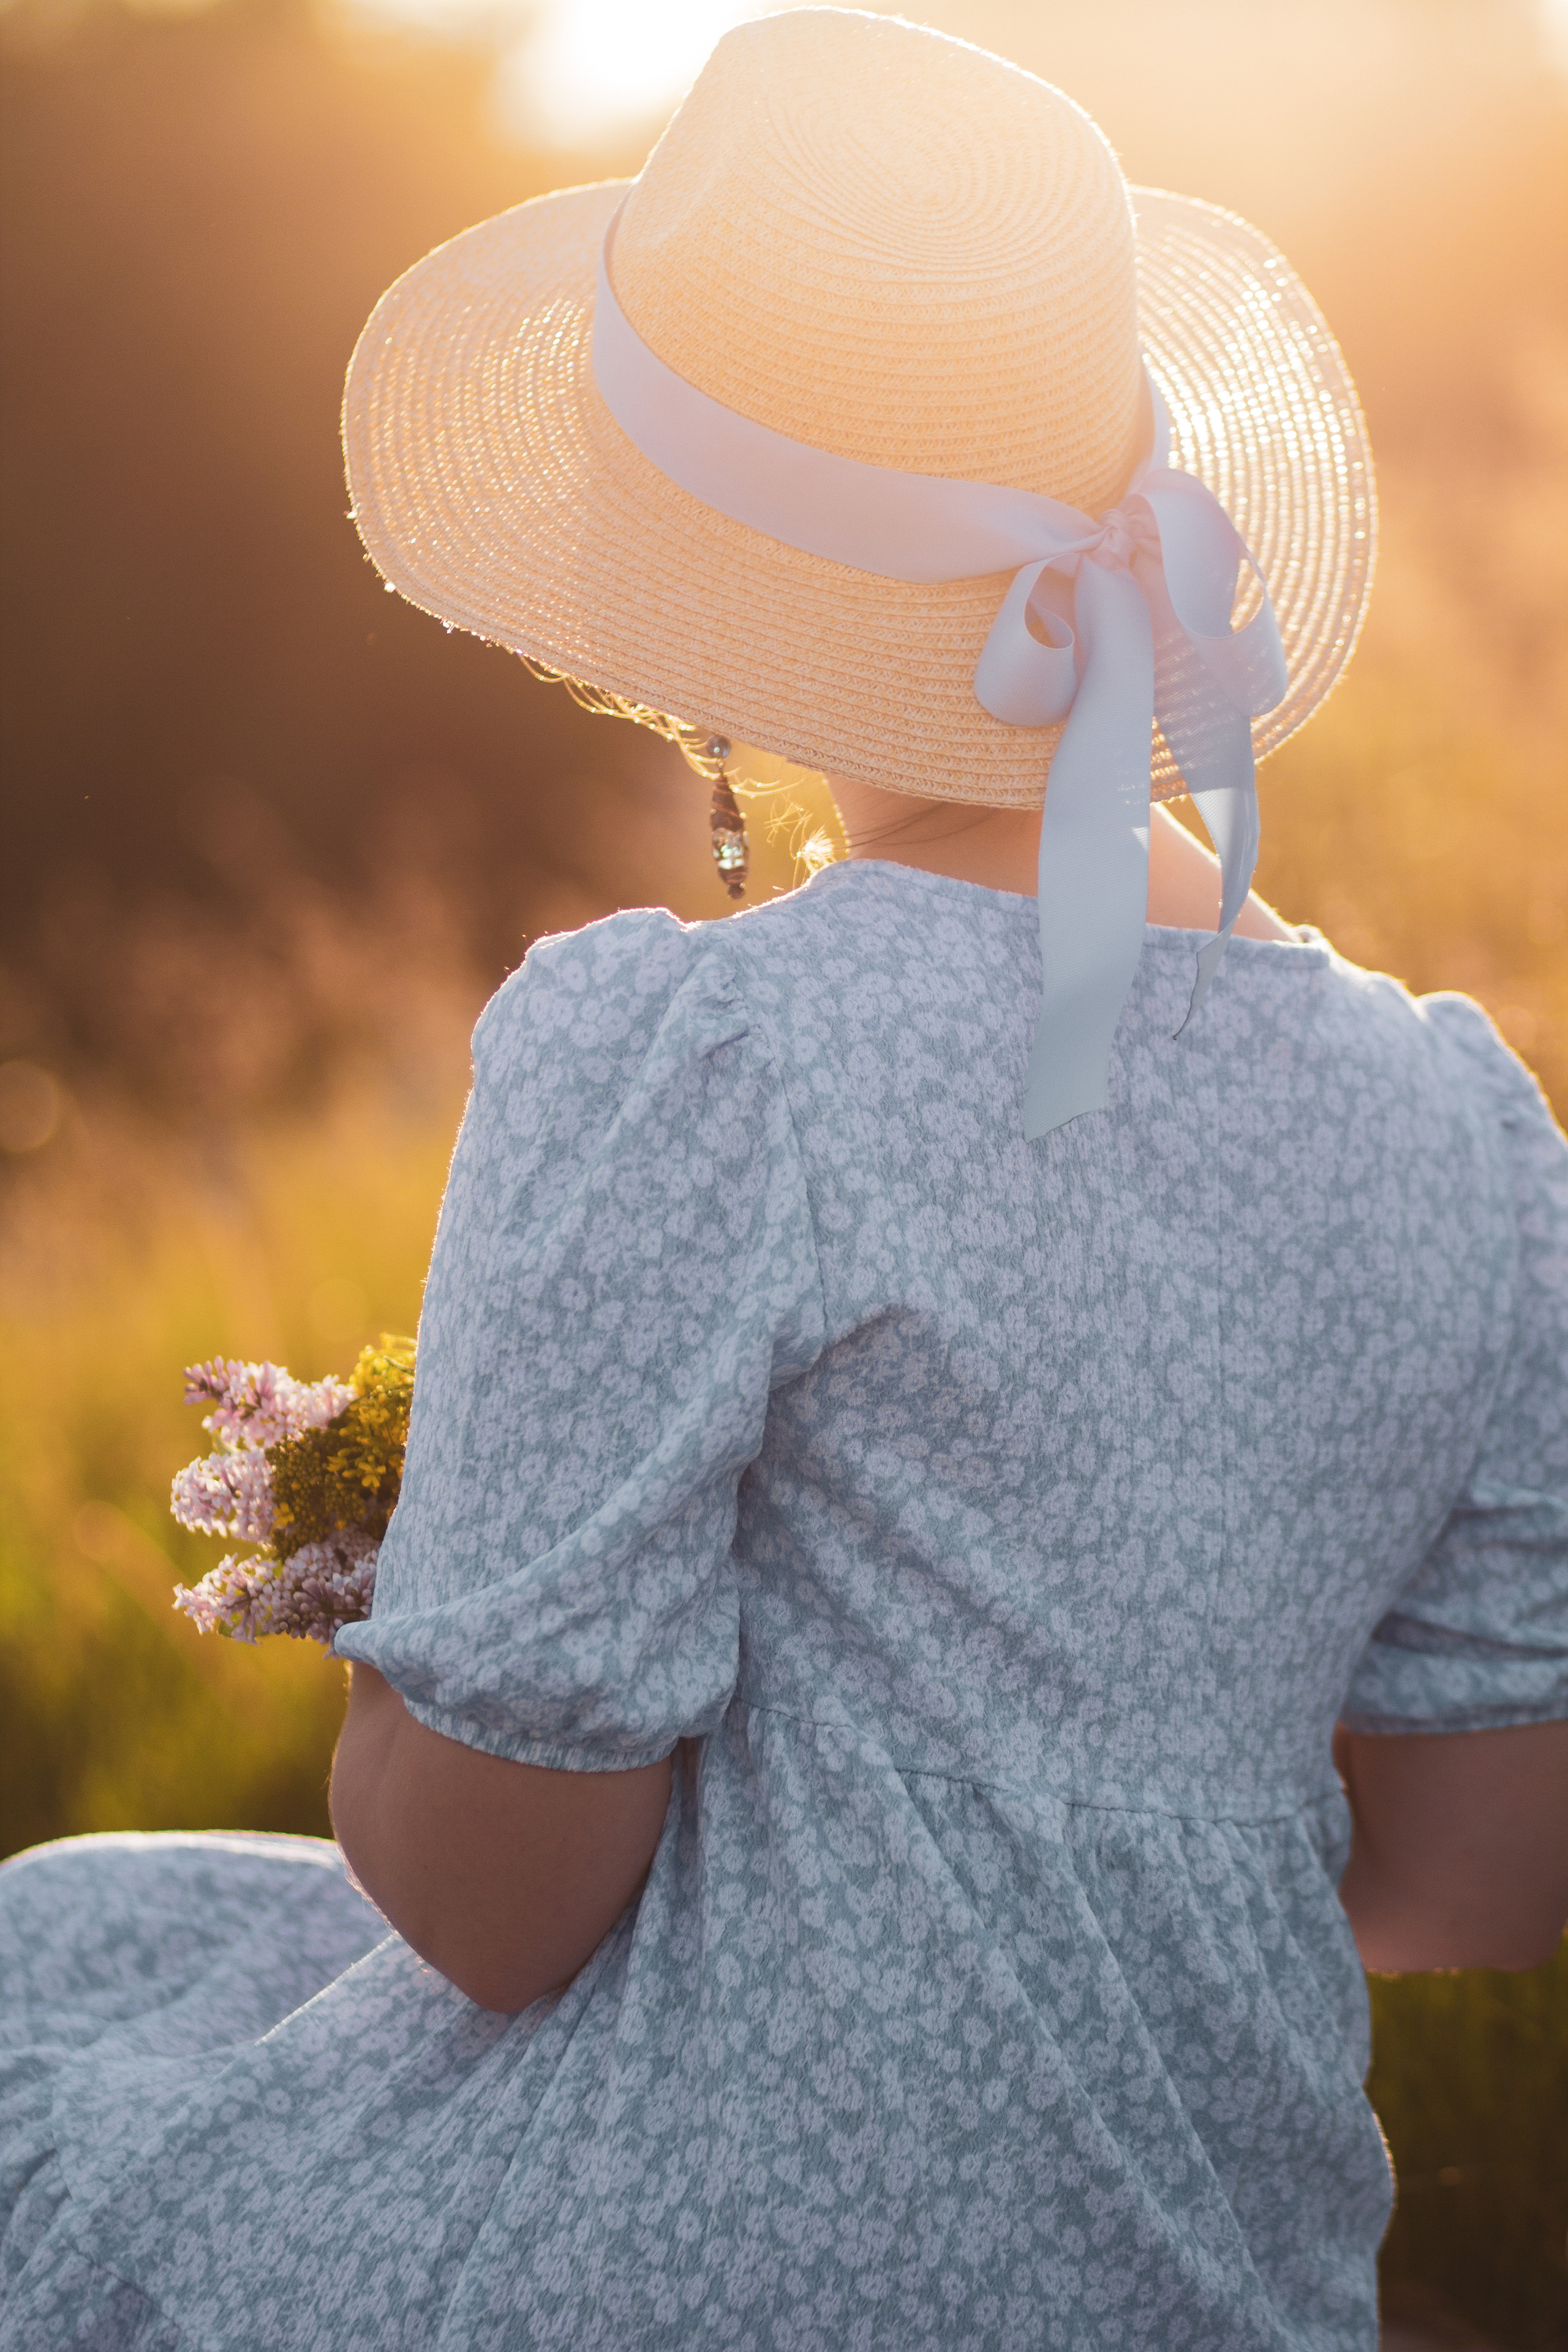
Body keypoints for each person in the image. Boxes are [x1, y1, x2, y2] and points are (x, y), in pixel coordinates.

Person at [2, 13, 1566, 2349]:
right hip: (1207, 2286)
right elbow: (1482, 1866)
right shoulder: (1470, 1129)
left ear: (713, 595)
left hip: (687, 2265)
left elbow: (498, 1903)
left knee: (61, 2005)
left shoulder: (692, 1051)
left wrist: (407, 1579)